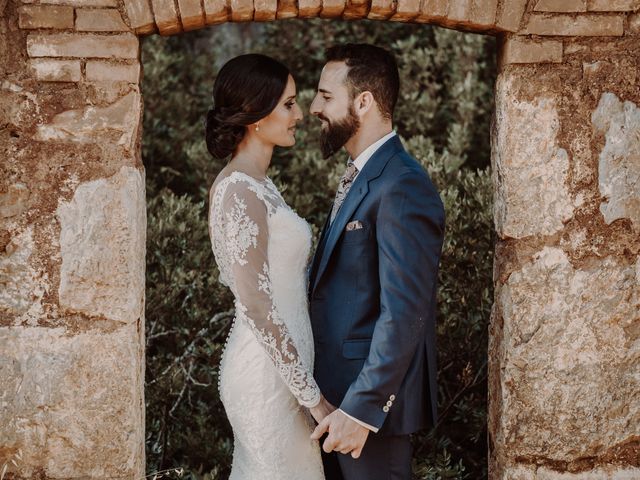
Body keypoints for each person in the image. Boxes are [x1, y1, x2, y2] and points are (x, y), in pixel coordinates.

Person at [308, 44, 446, 480]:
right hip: (333, 405)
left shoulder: (402, 184)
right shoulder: (363, 176)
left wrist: (362, 411)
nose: (314, 108)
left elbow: (404, 311)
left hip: (366, 418)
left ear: (362, 102)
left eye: (326, 96)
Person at [206, 53, 333, 480]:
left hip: (287, 375)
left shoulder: (262, 184)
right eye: (289, 104)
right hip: (265, 377)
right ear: (256, 114)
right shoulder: (239, 189)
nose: (300, 114)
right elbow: (257, 304)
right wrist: (312, 397)